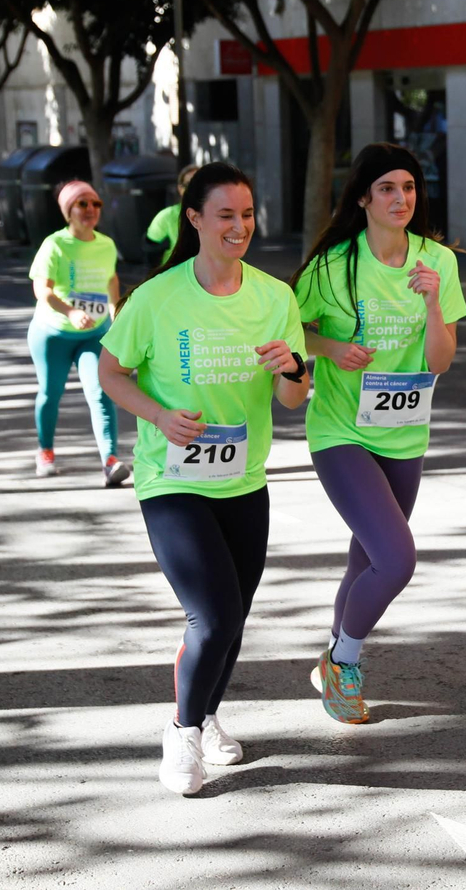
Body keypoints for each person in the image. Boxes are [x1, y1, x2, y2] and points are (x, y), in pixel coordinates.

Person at [97, 162, 309, 796]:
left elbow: (293, 400)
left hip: (243, 479)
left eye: (247, 215)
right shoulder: (157, 297)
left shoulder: (276, 297)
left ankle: (209, 714)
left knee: (234, 617)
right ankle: (183, 731)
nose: (239, 226)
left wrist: (293, 367)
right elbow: (112, 373)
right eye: (225, 215)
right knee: (211, 615)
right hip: (172, 479)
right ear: (194, 219)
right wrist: (160, 415)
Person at [290, 143, 466, 724]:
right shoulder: (332, 265)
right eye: (387, 188)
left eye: (409, 187)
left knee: (365, 561)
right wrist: (330, 347)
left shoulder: (436, 261)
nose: (400, 198)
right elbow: (294, 333)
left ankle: (333, 663)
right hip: (341, 430)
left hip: (405, 432)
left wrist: (434, 302)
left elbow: (441, 361)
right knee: (396, 560)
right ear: (363, 196)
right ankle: (343, 661)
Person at [26, 179, 128, 486]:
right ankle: (45, 451)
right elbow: (41, 290)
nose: (90, 210)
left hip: (93, 332)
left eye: (95, 204)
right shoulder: (55, 245)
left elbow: (111, 279)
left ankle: (110, 461)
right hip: (53, 332)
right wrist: (70, 311)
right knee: (50, 392)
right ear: (68, 210)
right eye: (82, 204)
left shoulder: (106, 244)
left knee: (101, 392)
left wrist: (115, 311)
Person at [145, 164, 199, 267]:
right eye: (188, 184)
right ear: (180, 188)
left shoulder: (220, 216)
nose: (194, 189)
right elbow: (151, 254)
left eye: (199, 184)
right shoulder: (166, 217)